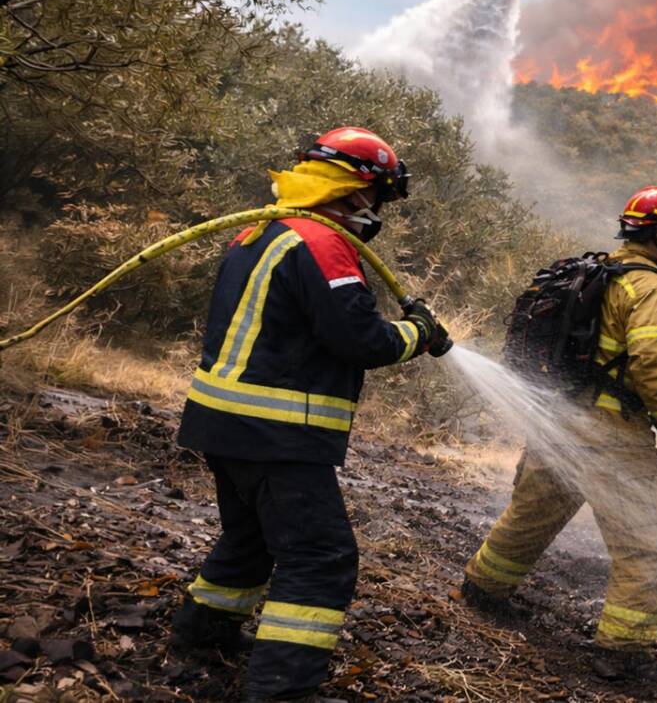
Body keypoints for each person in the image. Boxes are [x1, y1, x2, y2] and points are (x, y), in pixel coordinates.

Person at [168, 127, 449, 703]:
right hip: (277, 432)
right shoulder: (322, 242)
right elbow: (362, 340)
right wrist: (419, 332)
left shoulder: (261, 231)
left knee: (250, 540)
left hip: (224, 423)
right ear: (356, 191)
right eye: (379, 201)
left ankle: (201, 636)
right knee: (321, 558)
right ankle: (283, 690)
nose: (377, 215)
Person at [460, 186, 657, 685]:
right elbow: (655, 372)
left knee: (532, 514)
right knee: (647, 544)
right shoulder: (651, 289)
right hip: (610, 434)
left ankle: (481, 591)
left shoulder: (593, 275)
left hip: (557, 422)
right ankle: (624, 652)